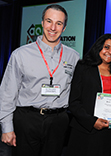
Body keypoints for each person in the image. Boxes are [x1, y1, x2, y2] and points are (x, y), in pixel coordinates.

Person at [0, 4, 79, 156]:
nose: (53, 28)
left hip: (58, 121)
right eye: (49, 21)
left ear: (64, 27)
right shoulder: (21, 54)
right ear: (42, 23)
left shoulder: (73, 56)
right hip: (27, 120)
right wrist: (7, 128)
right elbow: (7, 93)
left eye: (59, 23)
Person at [66, 33, 111, 156]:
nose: (109, 52)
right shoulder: (83, 67)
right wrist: (92, 121)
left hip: (110, 134)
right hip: (85, 131)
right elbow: (74, 102)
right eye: (106, 47)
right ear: (99, 47)